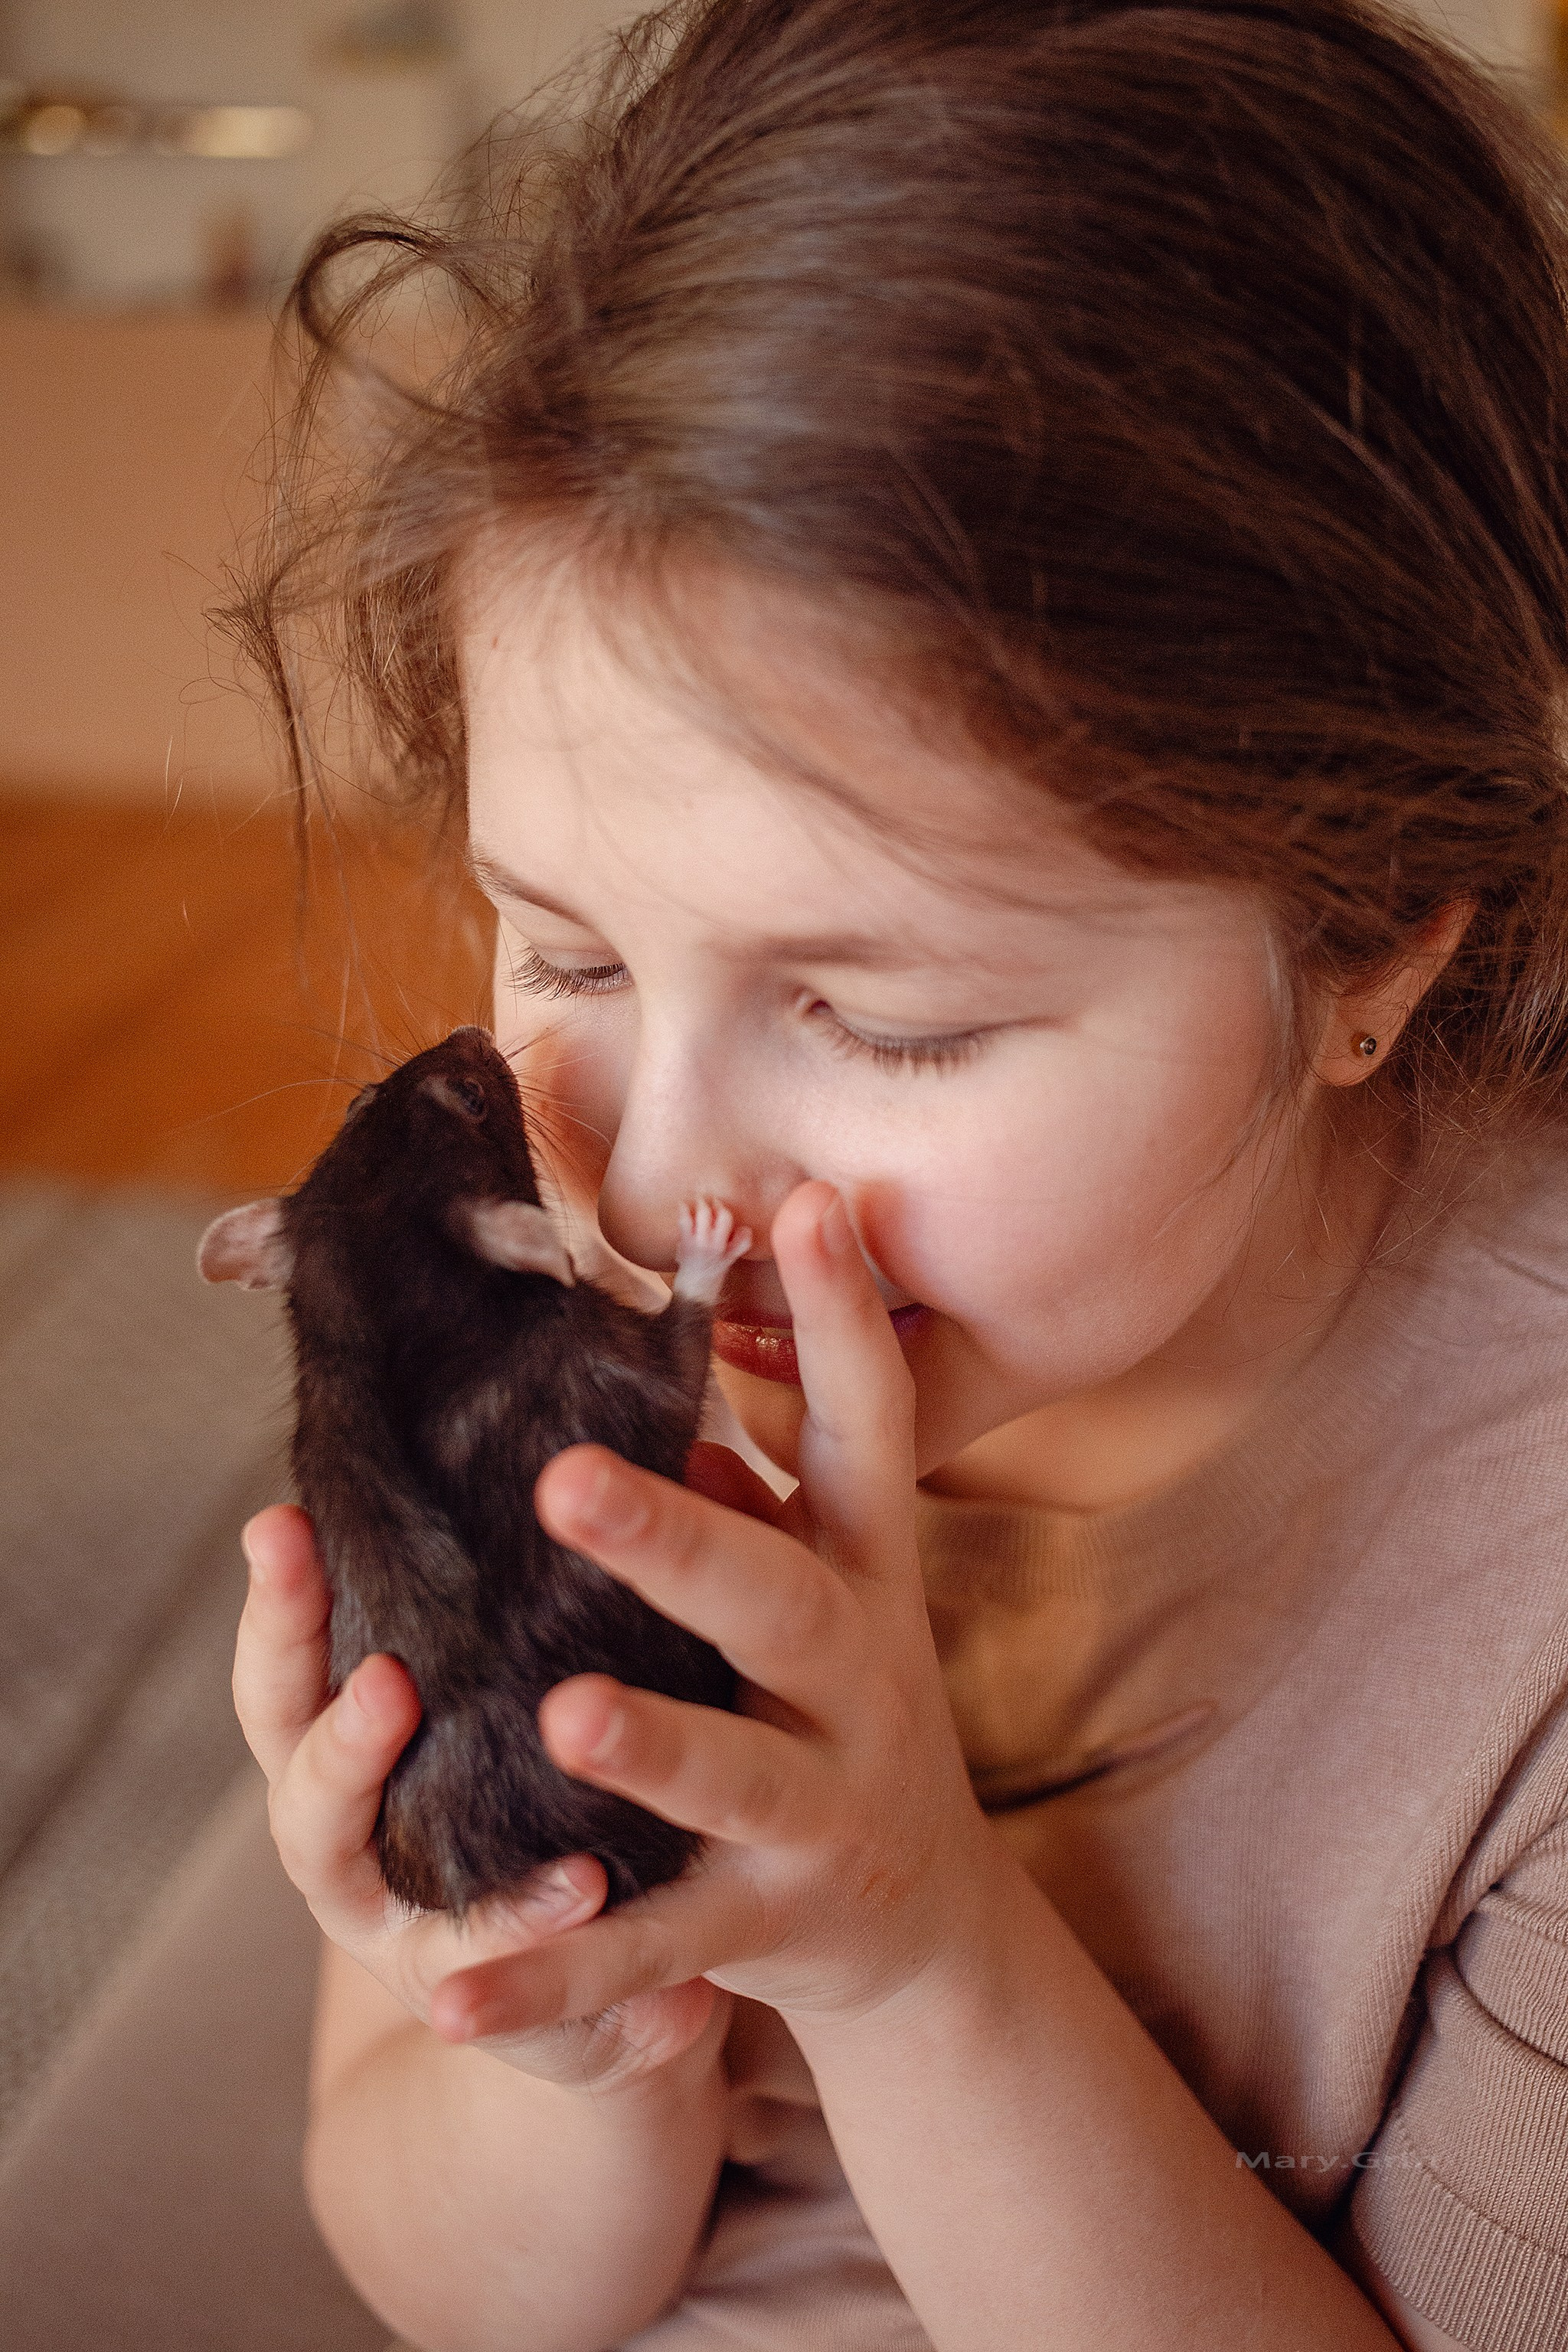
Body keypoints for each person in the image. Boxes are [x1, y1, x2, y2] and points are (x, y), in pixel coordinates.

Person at [227, 2, 1568, 2346]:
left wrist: (906, 1945)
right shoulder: (526, 1347)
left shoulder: (1521, 1612)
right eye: (565, 947)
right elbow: (463, 2283)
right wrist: (574, 2022)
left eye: (894, 1018)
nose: (657, 1182)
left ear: (1371, 940)